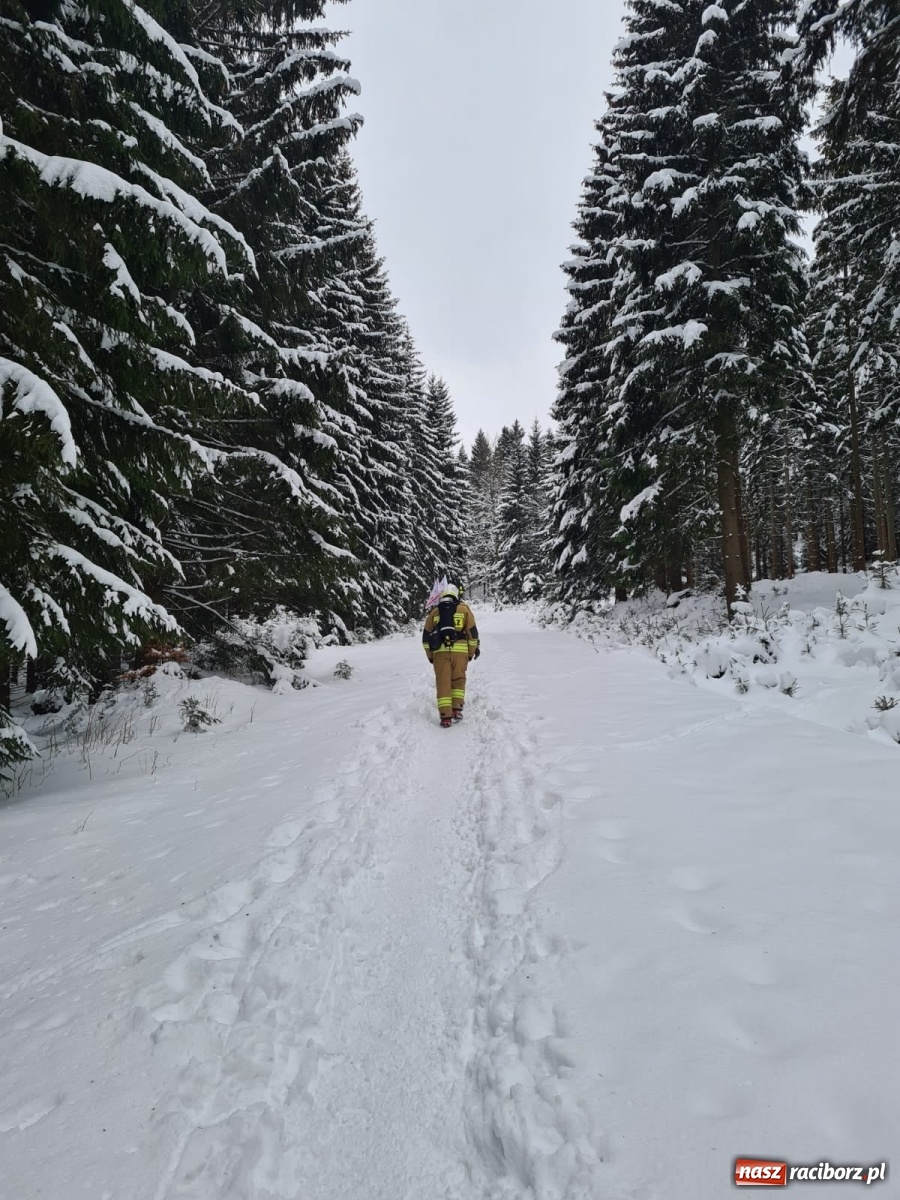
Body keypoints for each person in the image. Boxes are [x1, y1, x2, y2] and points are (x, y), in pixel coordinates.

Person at [422, 584, 480, 727]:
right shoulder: (464, 610)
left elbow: (425, 638)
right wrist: (471, 652)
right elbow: (473, 634)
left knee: (443, 683)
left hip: (440, 654)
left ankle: (445, 717)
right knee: (458, 680)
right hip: (460, 653)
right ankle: (457, 709)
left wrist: (430, 656)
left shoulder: (434, 612)